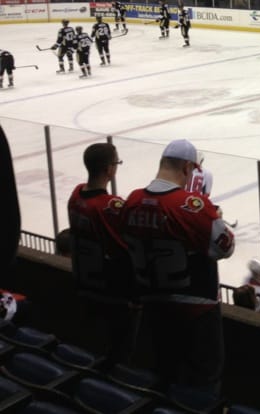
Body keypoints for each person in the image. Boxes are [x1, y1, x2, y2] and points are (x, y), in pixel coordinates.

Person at [120, 139, 235, 393]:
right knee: (201, 387)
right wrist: (215, 219)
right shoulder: (190, 207)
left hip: (152, 311)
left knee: (159, 381)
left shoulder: (132, 201)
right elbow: (225, 247)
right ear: (186, 168)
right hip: (197, 314)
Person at [67, 142, 135, 366]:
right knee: (119, 351)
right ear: (109, 169)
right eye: (117, 163)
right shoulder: (109, 206)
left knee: (92, 347)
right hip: (111, 291)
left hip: (85, 284)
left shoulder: (76, 195)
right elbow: (125, 248)